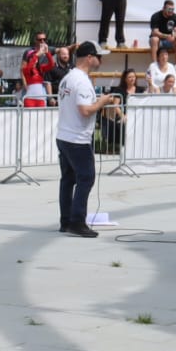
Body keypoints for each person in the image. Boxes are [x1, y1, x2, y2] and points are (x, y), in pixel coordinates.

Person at [54, 42, 113, 238]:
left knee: (68, 180)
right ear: (89, 57)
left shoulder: (68, 78)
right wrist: (101, 102)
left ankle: (66, 221)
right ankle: (77, 221)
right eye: (98, 56)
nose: (100, 60)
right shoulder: (82, 81)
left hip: (64, 135)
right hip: (77, 139)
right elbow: (85, 110)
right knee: (86, 178)